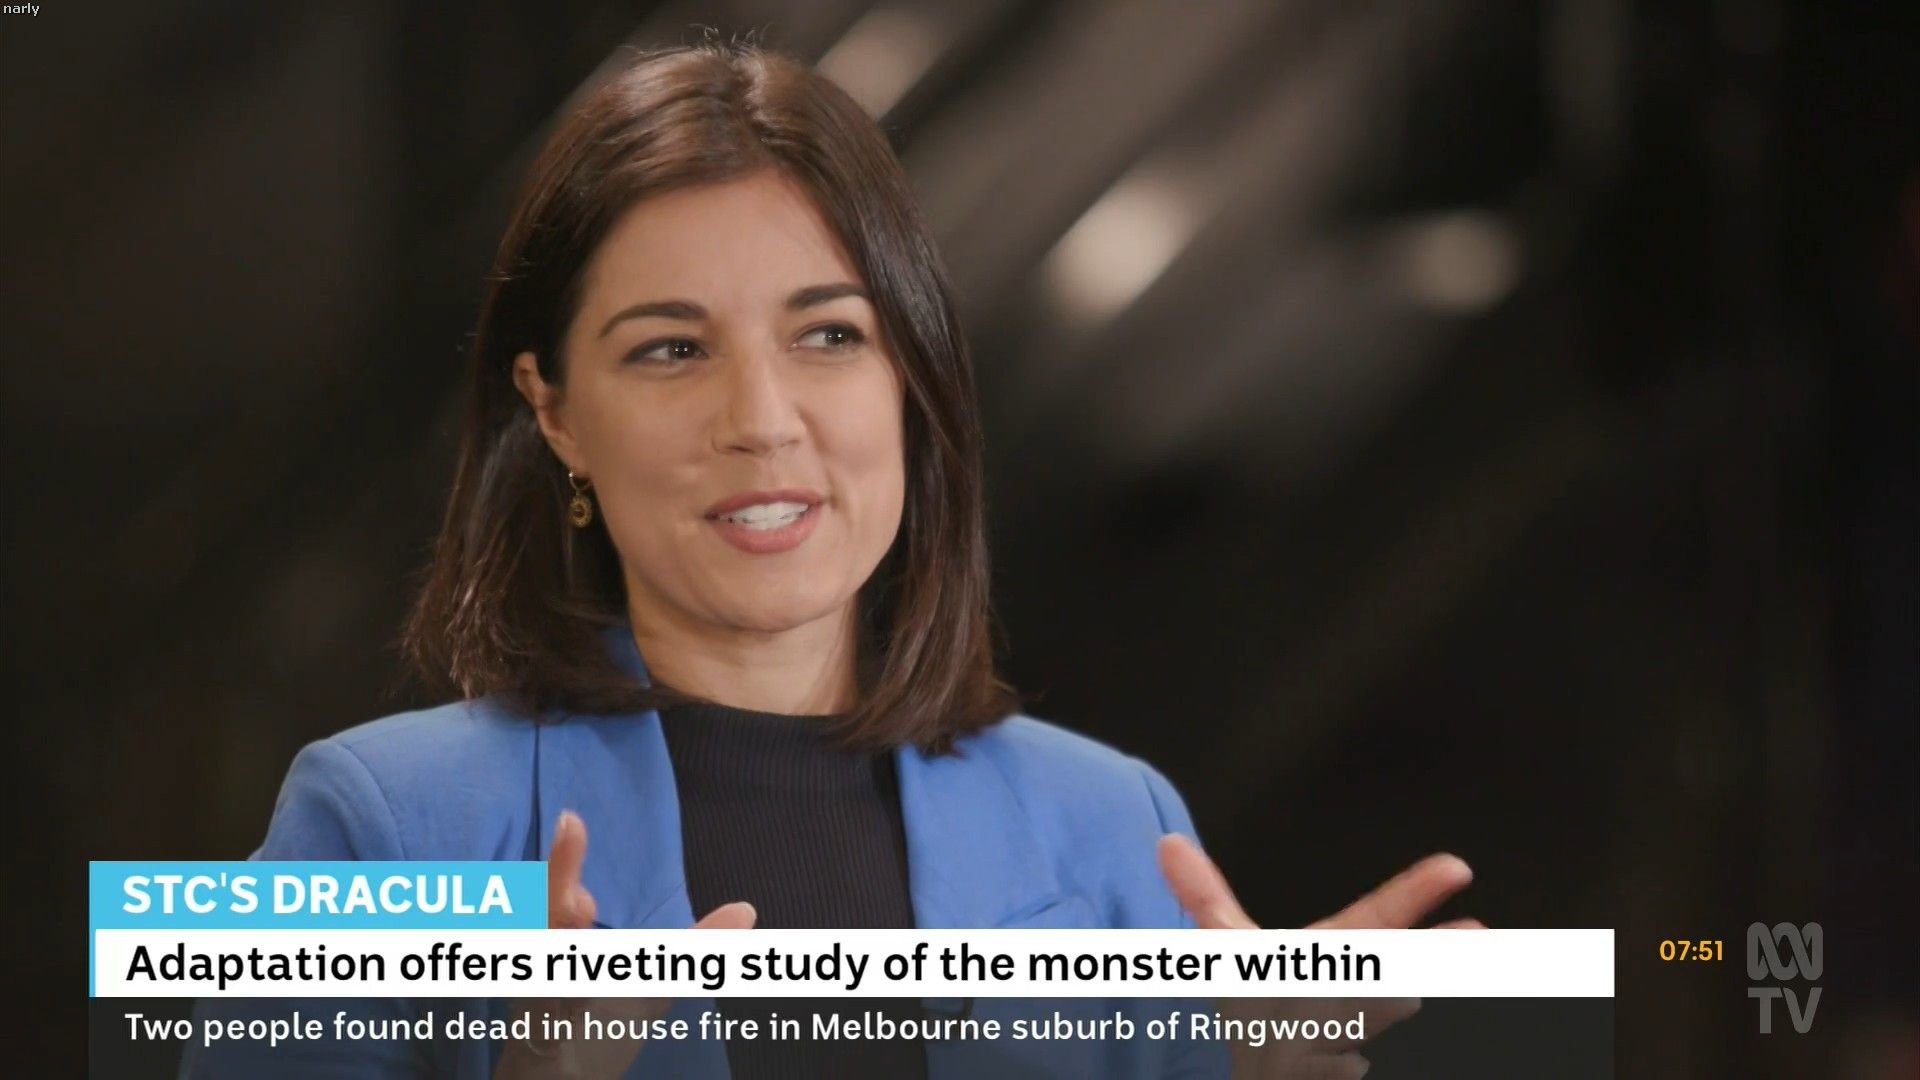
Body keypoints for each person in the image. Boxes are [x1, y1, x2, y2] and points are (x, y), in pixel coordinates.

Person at [183, 43, 1477, 1080]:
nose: (761, 419)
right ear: (556, 409)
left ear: (912, 376)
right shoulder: (381, 823)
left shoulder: (1115, 829)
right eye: (671, 350)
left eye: (830, 336)